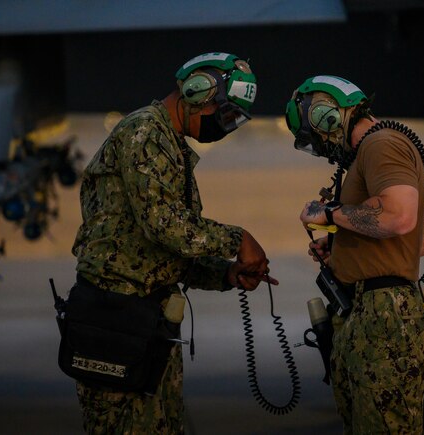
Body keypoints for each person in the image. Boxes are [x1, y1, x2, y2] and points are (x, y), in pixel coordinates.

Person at [70, 52, 277, 434]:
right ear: (198, 92)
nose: (223, 126)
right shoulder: (145, 133)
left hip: (146, 320)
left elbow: (165, 251)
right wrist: (238, 239)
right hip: (115, 318)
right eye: (225, 114)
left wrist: (227, 274)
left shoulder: (170, 143)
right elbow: (164, 225)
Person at [285, 75, 424, 434]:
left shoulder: (382, 145)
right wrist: (344, 245)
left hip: (384, 316)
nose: (323, 148)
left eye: (316, 138)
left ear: (326, 116)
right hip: (370, 314)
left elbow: (399, 216)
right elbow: (418, 242)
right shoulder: (372, 151)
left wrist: (330, 215)